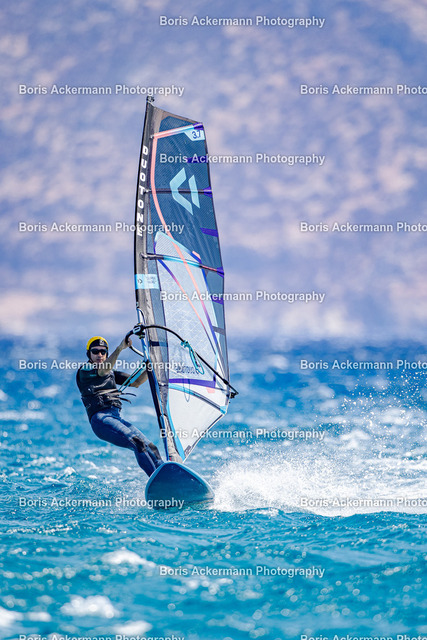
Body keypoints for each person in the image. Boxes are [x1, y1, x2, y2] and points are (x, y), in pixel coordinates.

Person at [76, 335, 163, 476]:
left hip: (115, 418)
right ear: (89, 354)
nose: (99, 355)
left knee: (151, 447)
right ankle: (156, 480)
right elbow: (103, 370)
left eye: (103, 352)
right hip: (101, 421)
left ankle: (167, 474)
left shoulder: (110, 373)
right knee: (137, 443)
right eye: (95, 351)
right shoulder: (85, 370)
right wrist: (120, 348)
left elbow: (136, 382)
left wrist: (152, 364)